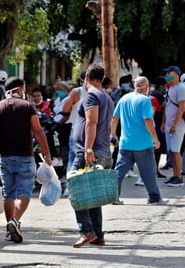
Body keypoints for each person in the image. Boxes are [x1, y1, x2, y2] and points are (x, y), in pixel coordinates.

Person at [0, 76, 51, 244]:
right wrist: (47, 154)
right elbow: (37, 131)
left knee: (8, 193)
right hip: (25, 156)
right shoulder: (28, 107)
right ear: (20, 90)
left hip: (5, 157)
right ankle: (14, 221)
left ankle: (10, 226)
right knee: (24, 192)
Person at [70, 63, 114, 248]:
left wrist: (88, 149)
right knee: (93, 194)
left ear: (86, 76)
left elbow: (91, 122)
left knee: (75, 187)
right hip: (102, 149)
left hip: (90, 151)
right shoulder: (106, 97)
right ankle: (98, 234)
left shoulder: (91, 95)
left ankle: (86, 231)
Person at [111, 76, 167, 205]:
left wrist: (113, 134)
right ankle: (154, 197)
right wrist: (155, 138)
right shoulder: (145, 100)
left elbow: (114, 117)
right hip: (143, 143)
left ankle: (113, 196)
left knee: (119, 171)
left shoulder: (124, 99)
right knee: (149, 172)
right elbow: (148, 120)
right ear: (146, 87)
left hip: (126, 143)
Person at [161, 66, 185, 187]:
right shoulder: (170, 88)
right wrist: (164, 123)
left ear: (177, 75)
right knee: (171, 151)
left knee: (176, 151)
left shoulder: (181, 88)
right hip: (168, 124)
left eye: (169, 73)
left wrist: (175, 124)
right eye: (166, 73)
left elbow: (181, 108)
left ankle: (179, 177)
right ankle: (174, 175)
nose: (167, 76)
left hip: (177, 125)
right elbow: (167, 106)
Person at [150, 76, 167, 179]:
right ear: (161, 86)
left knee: (156, 149)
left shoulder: (153, 94)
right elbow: (165, 107)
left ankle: (155, 169)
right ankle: (155, 170)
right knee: (157, 149)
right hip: (158, 124)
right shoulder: (158, 95)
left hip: (155, 123)